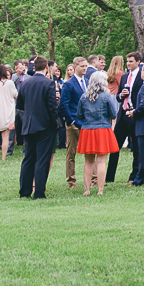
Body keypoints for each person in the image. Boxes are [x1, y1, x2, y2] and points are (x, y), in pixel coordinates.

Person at [16, 57, 58, 199]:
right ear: (46, 66)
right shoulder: (49, 83)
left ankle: (24, 191)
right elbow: (52, 107)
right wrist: (55, 123)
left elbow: (20, 105)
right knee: (42, 159)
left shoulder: (25, 83)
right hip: (44, 126)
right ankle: (39, 192)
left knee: (28, 158)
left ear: (33, 68)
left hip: (28, 124)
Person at [74, 70, 118, 195]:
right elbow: (113, 114)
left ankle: (86, 189)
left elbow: (79, 115)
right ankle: (100, 189)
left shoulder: (84, 97)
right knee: (101, 161)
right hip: (103, 129)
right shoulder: (106, 96)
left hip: (87, 129)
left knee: (88, 161)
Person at [107, 52, 140, 184]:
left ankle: (134, 176)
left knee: (136, 148)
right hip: (123, 114)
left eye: (131, 61)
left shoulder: (141, 76)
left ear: (138, 62)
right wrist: (121, 95)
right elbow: (118, 97)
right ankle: (109, 177)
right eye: (127, 61)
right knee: (114, 146)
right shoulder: (125, 76)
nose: (128, 64)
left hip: (135, 115)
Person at [59, 57, 88, 188]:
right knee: (71, 151)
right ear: (75, 67)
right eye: (82, 66)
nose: (85, 68)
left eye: (86, 66)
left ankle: (93, 178)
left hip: (87, 122)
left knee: (90, 150)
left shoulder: (87, 82)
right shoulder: (69, 84)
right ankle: (71, 179)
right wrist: (71, 121)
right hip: (74, 122)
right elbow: (63, 105)